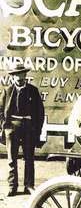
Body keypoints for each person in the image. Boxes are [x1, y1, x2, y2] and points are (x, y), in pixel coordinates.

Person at [0, 63, 44, 196]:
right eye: (15, 75)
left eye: (21, 74)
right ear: (12, 77)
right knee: (11, 159)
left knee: (29, 158)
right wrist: (5, 126)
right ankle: (12, 186)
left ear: (25, 75)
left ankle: (29, 185)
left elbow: (39, 112)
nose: (18, 77)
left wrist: (37, 129)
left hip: (28, 128)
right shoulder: (7, 91)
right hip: (12, 127)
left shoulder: (33, 91)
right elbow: (1, 110)